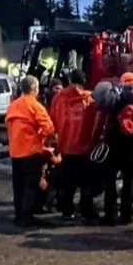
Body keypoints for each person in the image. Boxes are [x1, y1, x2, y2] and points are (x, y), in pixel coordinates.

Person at [5, 75, 56, 227]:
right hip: (31, 151)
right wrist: (49, 138)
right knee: (30, 186)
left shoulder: (13, 105)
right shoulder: (35, 105)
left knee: (18, 186)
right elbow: (49, 128)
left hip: (15, 152)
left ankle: (19, 215)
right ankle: (26, 217)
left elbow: (8, 126)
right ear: (35, 89)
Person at [101, 79, 133, 225]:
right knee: (129, 180)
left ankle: (110, 214)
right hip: (131, 147)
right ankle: (127, 214)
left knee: (110, 181)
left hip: (113, 146)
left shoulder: (115, 101)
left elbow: (105, 120)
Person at [49, 69, 96, 220]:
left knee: (68, 182)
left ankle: (67, 211)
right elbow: (96, 122)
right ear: (83, 81)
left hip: (66, 146)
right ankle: (86, 210)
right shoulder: (90, 99)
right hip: (85, 147)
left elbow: (52, 121)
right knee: (86, 182)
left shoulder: (58, 98)